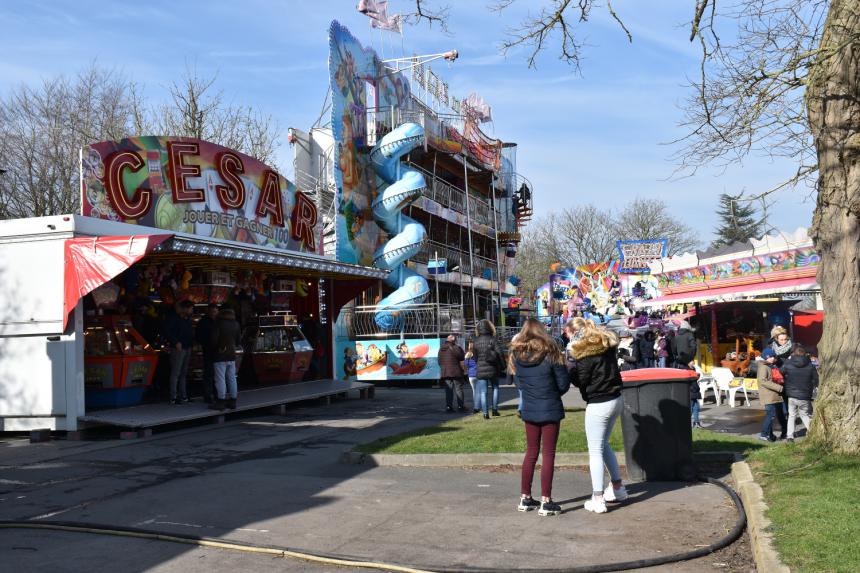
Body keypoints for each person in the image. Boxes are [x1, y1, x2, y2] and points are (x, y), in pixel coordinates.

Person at [510, 318, 570, 516]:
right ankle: (546, 500)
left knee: (531, 452)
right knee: (548, 454)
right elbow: (563, 384)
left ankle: (525, 497)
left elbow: (518, 383)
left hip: (530, 407)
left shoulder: (518, 356)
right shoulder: (551, 353)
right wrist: (550, 393)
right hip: (550, 405)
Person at [568, 320, 627, 514]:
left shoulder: (584, 355)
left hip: (598, 402)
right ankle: (618, 488)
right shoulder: (605, 346)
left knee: (595, 450)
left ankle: (598, 497)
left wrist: (571, 368)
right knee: (603, 445)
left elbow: (580, 380)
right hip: (616, 398)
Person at [780, 344, 818, 442]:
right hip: (805, 395)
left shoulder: (788, 363)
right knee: (805, 415)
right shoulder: (810, 366)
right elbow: (816, 380)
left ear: (794, 354)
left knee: (792, 416)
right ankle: (813, 433)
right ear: (805, 354)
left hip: (792, 395)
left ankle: (790, 436)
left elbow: (780, 372)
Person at [210, 305, 242, 410]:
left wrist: (216, 348)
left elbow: (213, 340)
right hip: (231, 354)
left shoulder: (218, 323)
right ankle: (233, 400)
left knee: (220, 379)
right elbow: (238, 341)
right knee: (232, 378)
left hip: (220, 354)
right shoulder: (236, 324)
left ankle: (221, 401)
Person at [163, 300, 195, 404]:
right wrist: (175, 342)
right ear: (185, 308)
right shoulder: (174, 318)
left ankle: (183, 395)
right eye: (190, 308)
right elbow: (167, 331)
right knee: (176, 372)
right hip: (178, 347)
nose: (191, 310)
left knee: (183, 373)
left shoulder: (187, 319)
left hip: (187, 346)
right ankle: (173, 396)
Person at [474, 319, 505, 418]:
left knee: (483, 392)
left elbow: (475, 357)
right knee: (495, 388)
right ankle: (495, 410)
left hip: (480, 368)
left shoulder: (476, 341)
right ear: (489, 327)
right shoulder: (493, 339)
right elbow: (500, 353)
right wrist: (503, 366)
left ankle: (485, 413)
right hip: (493, 368)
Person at [756, 348, 787, 441]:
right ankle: (764, 434)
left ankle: (771, 436)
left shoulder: (768, 366)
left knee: (778, 414)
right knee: (770, 415)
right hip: (768, 395)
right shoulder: (763, 367)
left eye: (774, 356)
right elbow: (763, 381)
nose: (774, 358)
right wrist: (779, 387)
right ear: (766, 357)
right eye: (771, 357)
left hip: (773, 395)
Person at [196, 303, 219, 403]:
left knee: (217, 373)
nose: (214, 313)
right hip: (209, 350)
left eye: (215, 311)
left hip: (216, 350)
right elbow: (199, 336)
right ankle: (208, 395)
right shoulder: (204, 322)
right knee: (209, 373)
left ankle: (216, 393)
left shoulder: (217, 321)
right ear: (208, 311)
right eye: (212, 311)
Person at [438, 335, 467, 412]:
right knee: (458, 389)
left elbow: (439, 361)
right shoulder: (455, 347)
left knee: (448, 390)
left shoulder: (441, 348)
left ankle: (449, 407)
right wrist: (459, 348)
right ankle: (460, 406)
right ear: (454, 340)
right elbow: (462, 357)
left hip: (445, 372)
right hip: (455, 372)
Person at [464, 341, 479, 413]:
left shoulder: (468, 355)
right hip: (479, 374)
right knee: (482, 391)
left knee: (474, 391)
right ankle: (481, 405)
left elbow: (466, 365)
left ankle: (476, 406)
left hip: (471, 375)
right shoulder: (479, 353)